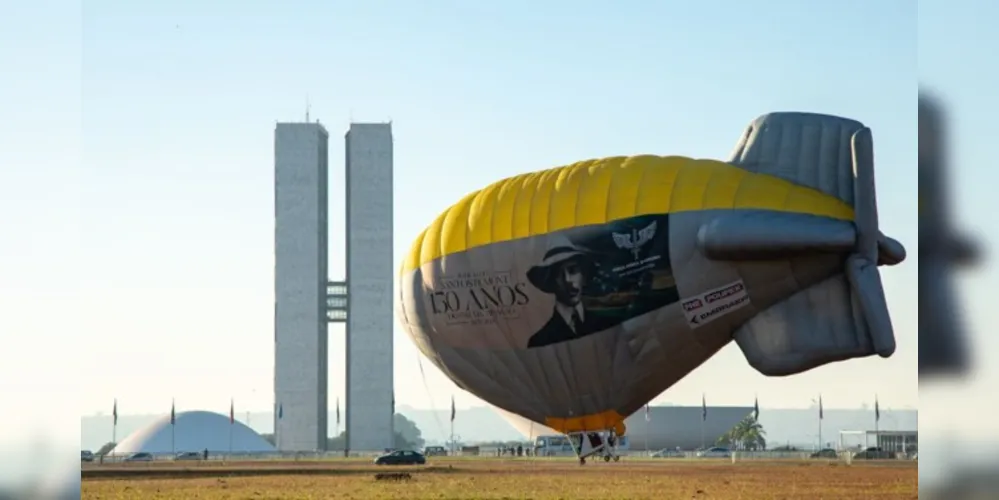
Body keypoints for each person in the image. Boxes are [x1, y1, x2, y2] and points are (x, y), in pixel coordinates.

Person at [526, 241, 615, 348]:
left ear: (584, 276)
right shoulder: (539, 342)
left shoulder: (608, 324)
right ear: (550, 283)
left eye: (573, 270)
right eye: (558, 274)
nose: (568, 280)